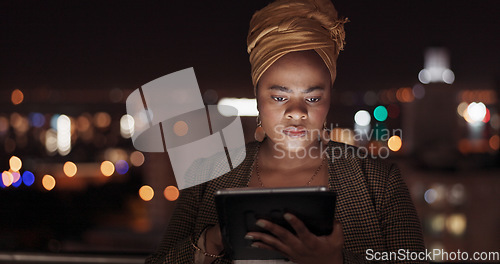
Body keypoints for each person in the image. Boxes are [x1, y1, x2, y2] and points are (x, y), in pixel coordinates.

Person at [145, 0, 425, 263]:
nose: (297, 112)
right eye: (279, 97)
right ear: (257, 99)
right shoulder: (208, 176)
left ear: (329, 98)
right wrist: (211, 240)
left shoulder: (378, 183)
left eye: (313, 98)